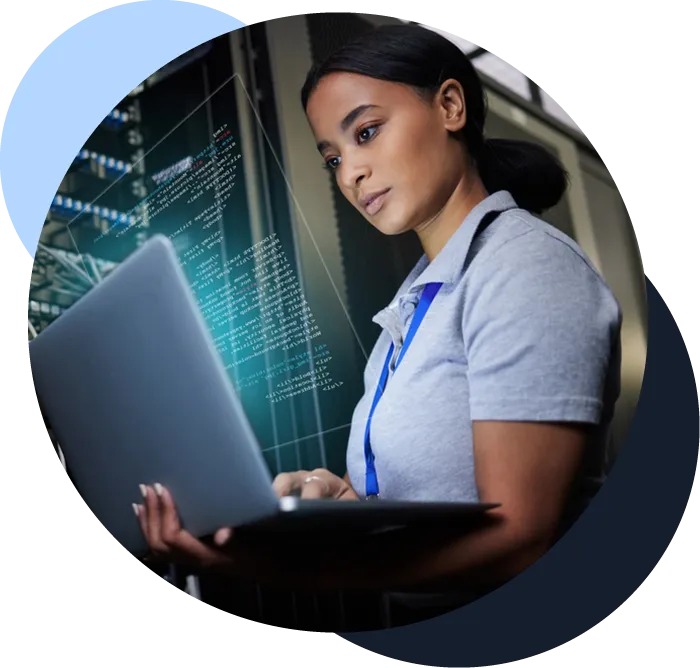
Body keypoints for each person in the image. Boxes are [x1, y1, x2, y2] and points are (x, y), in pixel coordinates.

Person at [135, 24, 622, 623]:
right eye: (334, 158)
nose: (350, 174)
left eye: (367, 133)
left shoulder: (526, 267)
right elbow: (430, 496)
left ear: (449, 105)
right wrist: (348, 498)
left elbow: (519, 536)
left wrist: (304, 572)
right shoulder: (416, 304)